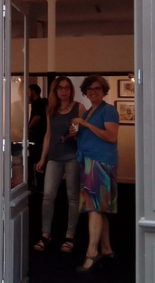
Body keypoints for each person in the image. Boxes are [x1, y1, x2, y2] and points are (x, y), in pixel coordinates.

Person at [71, 75, 119, 273]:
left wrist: (86, 124)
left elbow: (111, 136)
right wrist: (77, 132)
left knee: (94, 208)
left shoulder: (108, 110)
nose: (93, 92)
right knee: (100, 208)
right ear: (85, 92)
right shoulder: (89, 112)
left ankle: (92, 253)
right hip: (89, 161)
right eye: (90, 89)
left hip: (101, 162)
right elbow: (90, 136)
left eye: (97, 88)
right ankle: (106, 249)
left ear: (104, 91)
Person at [34, 76, 86, 253]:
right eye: (60, 88)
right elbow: (48, 135)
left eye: (67, 87)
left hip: (73, 156)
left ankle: (70, 235)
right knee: (48, 195)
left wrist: (76, 134)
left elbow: (86, 133)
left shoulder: (79, 107)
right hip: (54, 156)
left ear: (71, 90)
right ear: (55, 90)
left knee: (73, 197)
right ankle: (45, 234)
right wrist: (43, 158)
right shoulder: (51, 109)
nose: (64, 91)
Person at [28, 84, 48, 188]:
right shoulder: (42, 102)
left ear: (33, 92)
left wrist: (28, 128)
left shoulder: (38, 103)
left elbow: (37, 117)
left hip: (38, 138)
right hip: (39, 138)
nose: (27, 94)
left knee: (34, 161)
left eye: (28, 91)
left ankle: (35, 185)